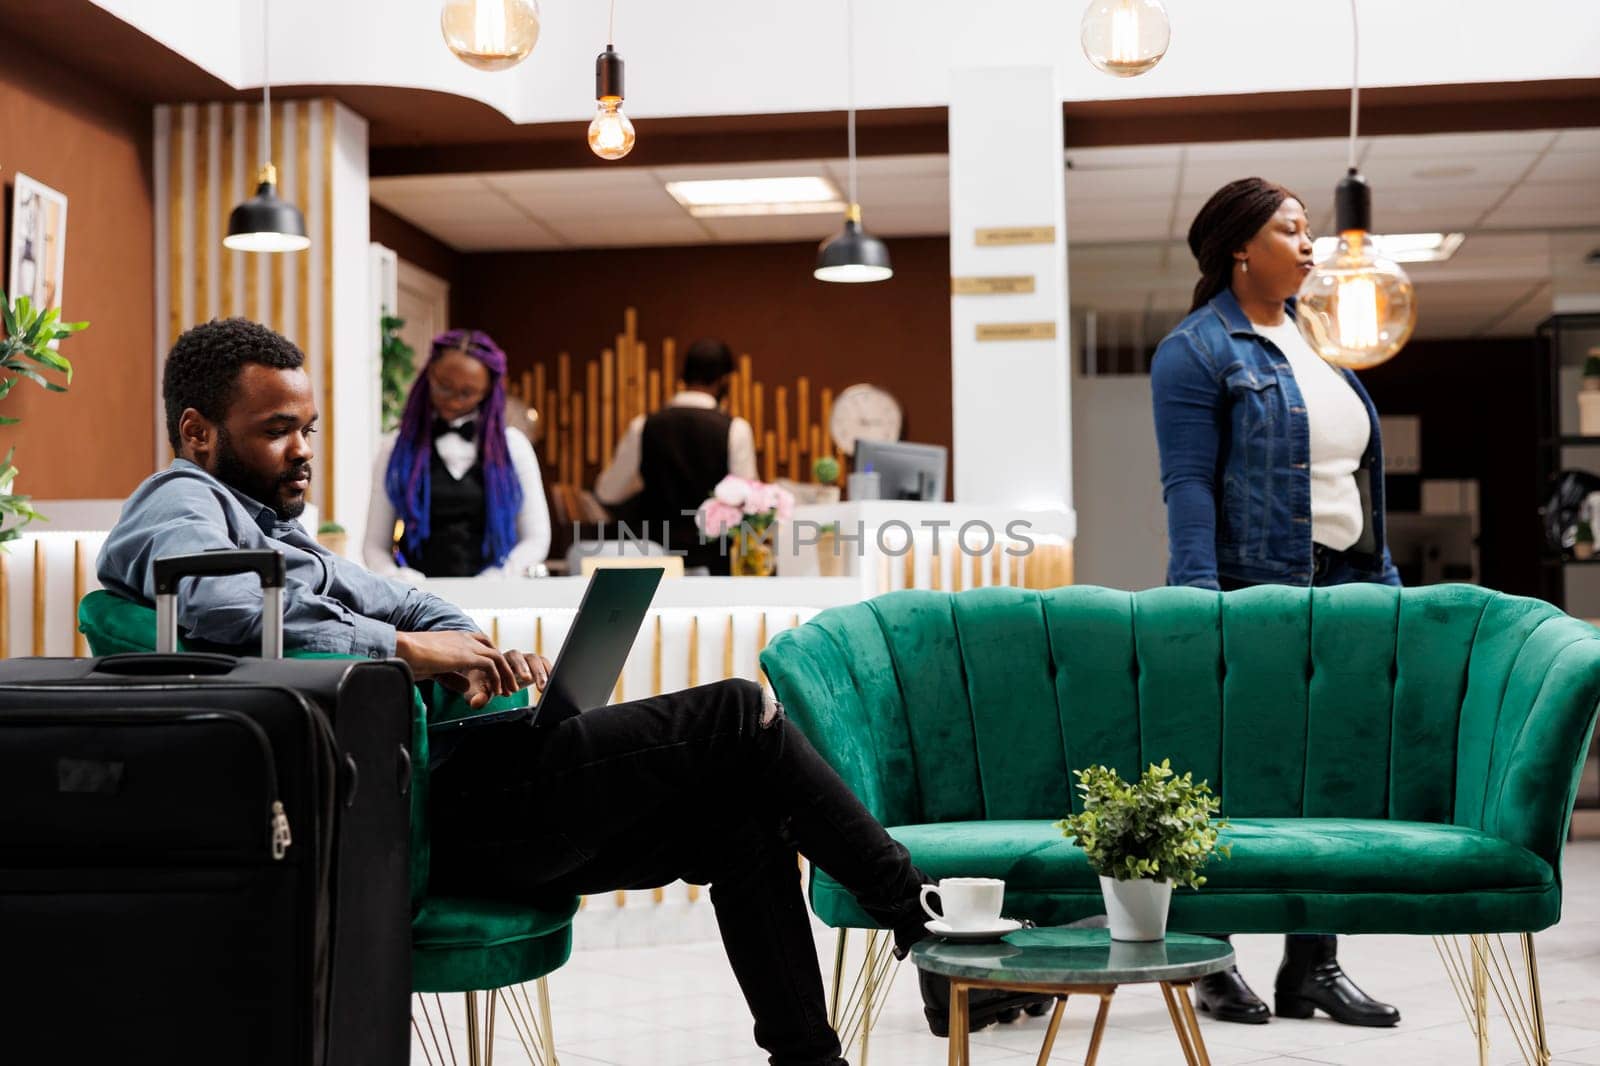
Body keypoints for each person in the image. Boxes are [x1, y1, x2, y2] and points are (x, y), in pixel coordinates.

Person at [98, 318, 1044, 1063]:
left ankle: (814, 1054)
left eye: (307, 427)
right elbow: (221, 607)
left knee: (738, 820)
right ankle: (922, 925)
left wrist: (460, 639)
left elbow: (400, 591)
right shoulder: (181, 501)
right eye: (277, 431)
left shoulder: (272, 523)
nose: (303, 448)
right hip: (432, 812)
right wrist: (408, 650)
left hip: (466, 782)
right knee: (736, 713)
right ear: (198, 431)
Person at [1150, 177, 1402, 1029]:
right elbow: (1187, 483)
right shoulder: (1196, 349)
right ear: (1237, 248)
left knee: (1330, 778)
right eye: (1292, 232)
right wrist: (1198, 600)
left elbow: (1351, 477)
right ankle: (1211, 956)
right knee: (1230, 778)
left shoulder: (1317, 339)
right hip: (1258, 587)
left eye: (1310, 233)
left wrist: (1386, 587)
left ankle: (1313, 967)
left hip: (1350, 587)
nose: (1309, 247)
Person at [365, 329, 550, 581]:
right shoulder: (395, 449)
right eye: (443, 387)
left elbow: (537, 538)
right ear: (429, 375)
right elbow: (375, 546)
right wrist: (395, 576)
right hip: (420, 602)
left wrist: (500, 576)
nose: (452, 402)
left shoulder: (513, 448)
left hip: (495, 597)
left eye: (467, 393)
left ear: (486, 392)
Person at [594, 338, 757, 574]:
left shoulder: (644, 426)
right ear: (724, 380)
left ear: (684, 376)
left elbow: (608, 492)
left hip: (653, 565)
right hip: (715, 565)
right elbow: (747, 501)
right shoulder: (736, 429)